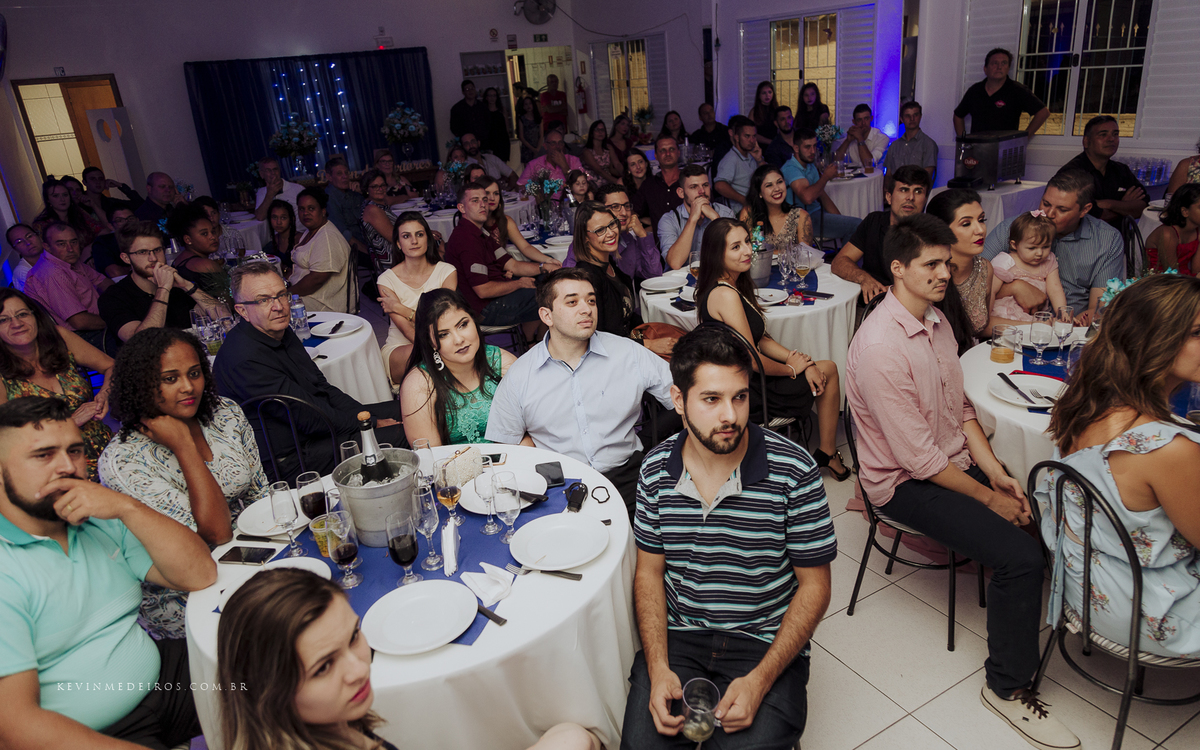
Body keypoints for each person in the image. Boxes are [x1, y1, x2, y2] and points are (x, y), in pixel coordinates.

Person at [846, 213, 1079, 749]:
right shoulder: (881, 347)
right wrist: (988, 499)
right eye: (931, 265)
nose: (945, 273)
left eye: (946, 264)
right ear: (897, 268)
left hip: (947, 461)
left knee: (1039, 514)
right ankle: (1006, 687)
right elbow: (920, 460)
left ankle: (1031, 618)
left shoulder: (936, 319)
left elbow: (962, 411)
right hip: (905, 482)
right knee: (1020, 555)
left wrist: (999, 474)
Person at [620, 324, 836, 750]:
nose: (731, 416)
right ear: (678, 400)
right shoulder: (654, 471)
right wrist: (659, 666)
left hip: (764, 640)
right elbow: (649, 574)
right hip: (680, 637)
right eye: (712, 399)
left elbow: (816, 586)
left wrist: (760, 681)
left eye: (740, 396)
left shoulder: (793, 470)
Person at [0, 395, 216, 750]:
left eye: (74, 451)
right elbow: (17, 725)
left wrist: (126, 506)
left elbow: (200, 574)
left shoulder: (98, 518)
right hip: (94, 734)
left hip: (160, 681)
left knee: (272, 656)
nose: (67, 467)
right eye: (43, 455)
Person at [218, 568, 604, 750]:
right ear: (266, 688)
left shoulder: (328, 728)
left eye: (353, 637)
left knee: (571, 736)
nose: (358, 668)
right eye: (323, 667)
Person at [1038, 273, 1200, 659]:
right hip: (1148, 611)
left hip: (1090, 588)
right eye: (1197, 333)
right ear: (1153, 338)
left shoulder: (1085, 402)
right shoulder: (1167, 449)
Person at [99, 327, 267, 639]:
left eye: (194, 373)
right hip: (188, 594)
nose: (188, 387)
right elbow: (215, 535)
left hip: (253, 553)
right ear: (142, 384)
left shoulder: (225, 413)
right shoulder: (123, 462)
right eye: (170, 378)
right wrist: (185, 447)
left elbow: (261, 492)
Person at [487, 268, 674, 509]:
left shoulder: (628, 353)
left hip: (628, 476)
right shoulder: (520, 375)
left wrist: (650, 443)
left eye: (591, 300)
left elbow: (685, 398)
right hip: (558, 488)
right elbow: (506, 447)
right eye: (572, 302)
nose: (586, 309)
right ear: (547, 316)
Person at [214, 262, 402, 482]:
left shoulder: (280, 331)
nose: (278, 306)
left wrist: (367, 418)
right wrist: (370, 425)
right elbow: (309, 418)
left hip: (313, 431)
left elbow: (322, 388)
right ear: (242, 310)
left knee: (409, 408)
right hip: (291, 460)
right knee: (403, 434)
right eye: (263, 300)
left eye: (281, 295)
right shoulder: (244, 359)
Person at [697, 218, 849, 479]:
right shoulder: (725, 294)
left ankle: (827, 453)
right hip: (749, 389)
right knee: (830, 370)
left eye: (747, 242)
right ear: (716, 253)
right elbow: (752, 359)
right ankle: (828, 453)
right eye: (735, 247)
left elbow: (760, 338)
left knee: (820, 367)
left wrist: (796, 358)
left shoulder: (732, 284)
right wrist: (792, 369)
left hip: (745, 379)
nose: (747, 251)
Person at [982, 169, 1124, 324]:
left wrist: (1068, 326)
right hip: (1010, 323)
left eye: (1062, 209)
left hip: (1072, 329)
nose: (1049, 214)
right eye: (1046, 203)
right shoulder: (1014, 228)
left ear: (1084, 209)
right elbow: (974, 283)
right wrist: (1015, 288)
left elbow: (1100, 307)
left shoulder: (1107, 240)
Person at [0, 289, 113, 476]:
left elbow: (111, 367)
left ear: (35, 315)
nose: (17, 323)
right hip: (58, 470)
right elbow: (8, 437)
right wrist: (69, 423)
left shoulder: (58, 337)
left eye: (22, 314)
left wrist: (104, 394)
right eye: (3, 320)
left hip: (108, 450)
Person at [399, 288, 517, 446]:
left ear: (474, 322)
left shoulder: (502, 363)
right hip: (453, 468)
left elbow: (533, 429)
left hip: (511, 463)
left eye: (463, 325)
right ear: (430, 342)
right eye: (443, 334)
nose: (458, 339)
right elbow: (431, 457)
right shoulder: (419, 385)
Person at [99, 221, 225, 342]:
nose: (153, 258)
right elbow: (142, 340)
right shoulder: (113, 297)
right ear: (126, 258)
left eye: (157, 250)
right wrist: (163, 290)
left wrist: (188, 286)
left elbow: (224, 318)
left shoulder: (177, 285)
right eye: (143, 252)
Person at [444, 182, 543, 334]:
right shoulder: (466, 239)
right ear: (462, 208)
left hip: (495, 298)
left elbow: (512, 265)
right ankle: (537, 344)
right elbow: (483, 291)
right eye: (475, 201)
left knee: (548, 280)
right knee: (550, 296)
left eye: (484, 200)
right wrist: (519, 283)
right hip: (485, 309)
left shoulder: (481, 233)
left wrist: (545, 266)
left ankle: (535, 343)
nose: (483, 204)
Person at [377, 212, 457, 386]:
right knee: (427, 356)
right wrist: (436, 347)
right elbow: (407, 330)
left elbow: (444, 320)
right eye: (406, 236)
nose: (414, 241)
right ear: (398, 243)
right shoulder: (386, 280)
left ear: (427, 239)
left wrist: (400, 308)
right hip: (402, 348)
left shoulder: (447, 272)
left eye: (419, 234)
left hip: (442, 339)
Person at [831, 165, 931, 303]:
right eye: (903, 190)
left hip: (909, 308)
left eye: (918, 191)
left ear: (925, 200)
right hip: (869, 304)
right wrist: (864, 278)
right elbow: (839, 262)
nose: (910, 197)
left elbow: (930, 285)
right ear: (889, 197)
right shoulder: (874, 222)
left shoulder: (930, 235)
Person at [23, 223, 112, 351]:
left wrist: (117, 304)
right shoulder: (53, 273)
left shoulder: (68, 261)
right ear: (47, 247)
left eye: (74, 242)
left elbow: (102, 281)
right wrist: (115, 320)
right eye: (61, 244)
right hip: (81, 338)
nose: (70, 249)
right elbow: (79, 321)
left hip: (96, 326)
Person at [925, 189, 1000, 338]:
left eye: (981, 220)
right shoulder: (928, 274)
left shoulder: (985, 269)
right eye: (966, 224)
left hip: (970, 354)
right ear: (942, 231)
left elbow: (980, 328)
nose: (980, 230)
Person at [564, 183, 662, 291]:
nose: (624, 212)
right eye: (615, 207)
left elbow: (654, 277)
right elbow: (568, 287)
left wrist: (643, 235)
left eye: (627, 206)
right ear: (600, 210)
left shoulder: (629, 240)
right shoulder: (584, 244)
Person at [1058, 115, 1147, 225]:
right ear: (1086, 141)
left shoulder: (1121, 170)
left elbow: (1143, 207)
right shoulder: (1072, 174)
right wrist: (1124, 206)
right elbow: (1093, 217)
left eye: (1115, 134)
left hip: (1119, 239)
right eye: (1103, 134)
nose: (1111, 139)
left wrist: (1110, 204)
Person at [988, 211, 1070, 325]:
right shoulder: (1006, 261)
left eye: (1046, 247)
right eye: (1032, 248)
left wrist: (1062, 311)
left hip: (1035, 315)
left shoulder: (1049, 261)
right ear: (1014, 245)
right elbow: (991, 291)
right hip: (1007, 314)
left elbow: (1055, 290)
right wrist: (986, 316)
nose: (1040, 253)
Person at [782, 128, 859, 241]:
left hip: (817, 214)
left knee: (856, 225)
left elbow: (822, 195)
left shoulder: (810, 166)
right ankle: (843, 258)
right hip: (801, 219)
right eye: (808, 147)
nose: (813, 151)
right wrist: (825, 177)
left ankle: (842, 257)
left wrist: (840, 218)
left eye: (814, 146)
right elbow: (807, 198)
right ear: (796, 148)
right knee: (856, 225)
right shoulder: (790, 168)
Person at [954, 48, 1050, 138]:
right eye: (994, 63)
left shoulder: (1017, 90)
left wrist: (1023, 139)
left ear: (1008, 69)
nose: (999, 67)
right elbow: (958, 116)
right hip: (977, 149)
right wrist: (964, 141)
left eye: (1004, 63)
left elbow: (1043, 112)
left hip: (1005, 150)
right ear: (985, 69)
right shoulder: (975, 91)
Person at [658, 164, 738, 271]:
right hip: (680, 283)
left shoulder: (725, 213)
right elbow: (675, 263)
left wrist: (716, 219)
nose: (702, 191)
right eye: (693, 187)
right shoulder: (669, 220)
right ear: (681, 193)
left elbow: (737, 253)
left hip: (716, 278)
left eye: (705, 185)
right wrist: (692, 220)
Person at [478, 176, 561, 270]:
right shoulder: (475, 223)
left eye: (496, 193)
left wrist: (547, 260)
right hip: (491, 273)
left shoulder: (505, 221)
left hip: (507, 268)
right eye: (487, 193)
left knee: (549, 263)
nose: (492, 198)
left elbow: (525, 247)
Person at [291, 188, 352, 313]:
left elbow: (316, 280)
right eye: (302, 209)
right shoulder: (311, 231)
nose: (305, 213)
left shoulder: (327, 237)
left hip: (323, 304)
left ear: (323, 211)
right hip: (308, 296)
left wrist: (287, 293)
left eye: (311, 208)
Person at [739, 164, 815, 252]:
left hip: (793, 266)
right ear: (759, 192)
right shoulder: (749, 213)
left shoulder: (801, 216)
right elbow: (747, 250)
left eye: (779, 182)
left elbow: (807, 255)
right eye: (769, 185)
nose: (777, 188)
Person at [168, 204, 228, 301]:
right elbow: (228, 301)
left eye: (213, 231)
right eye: (204, 234)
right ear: (188, 239)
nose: (212, 237)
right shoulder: (206, 265)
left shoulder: (178, 260)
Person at [30, 178, 101, 251]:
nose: (62, 199)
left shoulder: (79, 213)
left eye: (65, 195)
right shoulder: (42, 224)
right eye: (56, 196)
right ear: (48, 200)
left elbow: (103, 230)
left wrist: (89, 249)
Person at [636, 135, 685, 237]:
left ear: (678, 152)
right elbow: (634, 210)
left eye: (671, 149)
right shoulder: (649, 184)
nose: (667, 153)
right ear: (656, 156)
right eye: (662, 150)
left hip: (689, 240)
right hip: (658, 245)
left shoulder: (690, 181)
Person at [1148, 184, 1200, 275]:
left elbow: (1196, 270)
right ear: (1185, 212)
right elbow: (1172, 273)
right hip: (1162, 282)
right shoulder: (1168, 234)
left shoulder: (1197, 230)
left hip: (1185, 278)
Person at [714, 115, 766, 207]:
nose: (752, 140)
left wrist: (759, 160)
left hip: (757, 207)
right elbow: (719, 185)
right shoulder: (731, 159)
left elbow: (768, 177)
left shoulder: (752, 155)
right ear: (737, 138)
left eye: (754, 136)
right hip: (740, 212)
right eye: (747, 136)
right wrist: (744, 200)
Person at [359, 168, 403, 275]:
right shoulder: (372, 209)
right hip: (390, 258)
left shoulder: (380, 205)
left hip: (396, 251)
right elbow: (394, 238)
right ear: (366, 189)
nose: (380, 189)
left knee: (438, 246)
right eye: (375, 186)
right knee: (437, 250)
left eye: (383, 185)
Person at [518, 129, 583, 200]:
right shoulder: (534, 164)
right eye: (553, 143)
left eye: (560, 143)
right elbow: (520, 186)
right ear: (545, 146)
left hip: (571, 204)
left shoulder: (574, 160)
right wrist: (537, 194)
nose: (557, 147)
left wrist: (564, 166)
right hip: (545, 206)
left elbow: (584, 185)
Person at [324, 157, 369, 259]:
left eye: (346, 173)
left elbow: (371, 211)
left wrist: (361, 192)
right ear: (329, 177)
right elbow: (345, 235)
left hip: (369, 240)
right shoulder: (329, 199)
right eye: (339, 174)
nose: (345, 177)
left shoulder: (351, 192)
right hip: (352, 249)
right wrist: (369, 253)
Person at [882, 101, 939, 180]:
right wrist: (887, 191)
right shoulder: (894, 145)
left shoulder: (929, 144)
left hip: (916, 190)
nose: (912, 119)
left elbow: (927, 177)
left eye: (915, 115)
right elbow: (888, 175)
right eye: (908, 116)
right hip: (895, 190)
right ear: (902, 119)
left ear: (920, 116)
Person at [832, 104, 889, 171]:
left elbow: (869, 165)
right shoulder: (852, 136)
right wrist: (847, 141)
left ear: (871, 119)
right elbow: (836, 162)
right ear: (854, 122)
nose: (863, 123)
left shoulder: (882, 138)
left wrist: (860, 139)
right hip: (854, 179)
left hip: (874, 179)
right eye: (859, 120)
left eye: (866, 119)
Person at [252, 156, 304, 225]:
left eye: (275, 169)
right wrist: (270, 194)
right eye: (268, 170)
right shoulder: (261, 192)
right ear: (262, 174)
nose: (273, 173)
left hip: (298, 232)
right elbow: (260, 217)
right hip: (276, 234)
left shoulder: (297, 189)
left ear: (279, 171)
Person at [90, 206, 135, 279]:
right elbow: (115, 273)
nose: (127, 223)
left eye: (130, 219)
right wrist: (139, 267)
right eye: (120, 220)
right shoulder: (103, 243)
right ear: (111, 226)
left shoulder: (147, 238)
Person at [581, 120, 623, 185]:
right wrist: (617, 181)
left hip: (608, 180)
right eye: (597, 130)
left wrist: (625, 176)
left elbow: (617, 164)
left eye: (602, 130)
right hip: (592, 183)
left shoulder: (608, 148)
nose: (600, 132)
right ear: (592, 133)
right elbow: (599, 170)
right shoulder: (587, 151)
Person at [4, 224, 43, 292]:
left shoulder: (54, 254)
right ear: (15, 249)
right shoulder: (22, 272)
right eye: (19, 242)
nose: (28, 243)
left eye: (29, 236)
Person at [265, 198, 299, 274]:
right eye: (274, 217)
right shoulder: (273, 242)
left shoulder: (300, 239)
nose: (278, 222)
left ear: (291, 219)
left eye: (283, 218)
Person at [481, 86, 512, 162]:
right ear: (486, 97)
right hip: (489, 143)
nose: (492, 98)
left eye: (494, 95)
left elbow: (506, 128)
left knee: (503, 167)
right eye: (490, 95)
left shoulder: (502, 110)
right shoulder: (483, 111)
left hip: (502, 142)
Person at [748, 80, 779, 147]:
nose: (767, 95)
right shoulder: (754, 111)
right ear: (759, 95)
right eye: (764, 93)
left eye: (770, 92)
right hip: (760, 146)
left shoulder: (776, 110)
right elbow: (752, 134)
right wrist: (770, 142)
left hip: (776, 146)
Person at [517, 95, 544, 165]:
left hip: (538, 146)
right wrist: (533, 149)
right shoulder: (522, 119)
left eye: (530, 103)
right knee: (528, 170)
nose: (528, 106)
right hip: (527, 148)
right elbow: (521, 137)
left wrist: (537, 149)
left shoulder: (538, 118)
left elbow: (541, 135)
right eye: (526, 104)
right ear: (523, 107)